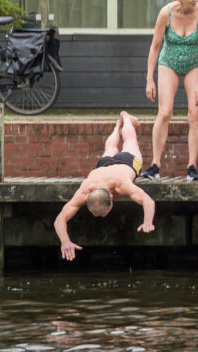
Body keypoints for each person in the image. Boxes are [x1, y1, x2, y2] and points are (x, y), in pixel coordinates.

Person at [54, 111, 155, 260]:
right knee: (110, 149)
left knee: (130, 142)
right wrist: (65, 242)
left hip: (126, 162)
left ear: (112, 198)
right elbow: (60, 219)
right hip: (104, 166)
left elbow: (148, 201)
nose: (102, 217)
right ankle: (117, 126)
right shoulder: (84, 192)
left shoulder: (121, 185)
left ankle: (126, 119)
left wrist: (148, 222)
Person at [142, 0, 198, 181]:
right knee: (164, 112)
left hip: (193, 63)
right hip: (169, 62)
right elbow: (155, 47)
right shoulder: (166, 13)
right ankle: (155, 164)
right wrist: (149, 78)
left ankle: (192, 166)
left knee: (194, 112)